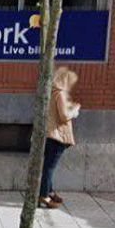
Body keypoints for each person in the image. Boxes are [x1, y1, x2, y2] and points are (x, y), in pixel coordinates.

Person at [39, 67, 80, 209]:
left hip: (52, 134)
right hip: (58, 136)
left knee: (48, 166)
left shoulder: (52, 93)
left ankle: (49, 191)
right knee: (49, 167)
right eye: (69, 81)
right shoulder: (60, 94)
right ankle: (44, 195)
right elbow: (63, 116)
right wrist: (74, 112)